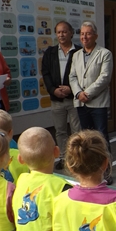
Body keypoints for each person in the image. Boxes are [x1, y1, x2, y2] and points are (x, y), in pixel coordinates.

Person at [68, 21, 113, 184]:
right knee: (85, 140)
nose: (84, 37)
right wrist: (78, 93)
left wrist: (87, 93)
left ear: (95, 36)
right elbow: (72, 76)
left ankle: (106, 172)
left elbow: (105, 77)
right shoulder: (76, 55)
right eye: (82, 34)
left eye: (88, 33)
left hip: (98, 102)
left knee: (101, 138)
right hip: (81, 103)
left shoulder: (105, 53)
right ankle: (89, 170)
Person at [41, 21, 82, 170]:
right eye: (58, 32)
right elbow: (45, 73)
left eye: (64, 32)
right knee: (60, 130)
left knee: (77, 131)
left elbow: (83, 74)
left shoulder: (79, 52)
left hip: (74, 99)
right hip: (57, 99)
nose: (61, 35)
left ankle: (77, 158)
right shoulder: (50, 52)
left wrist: (72, 89)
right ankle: (64, 158)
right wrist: (53, 90)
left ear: (71, 33)